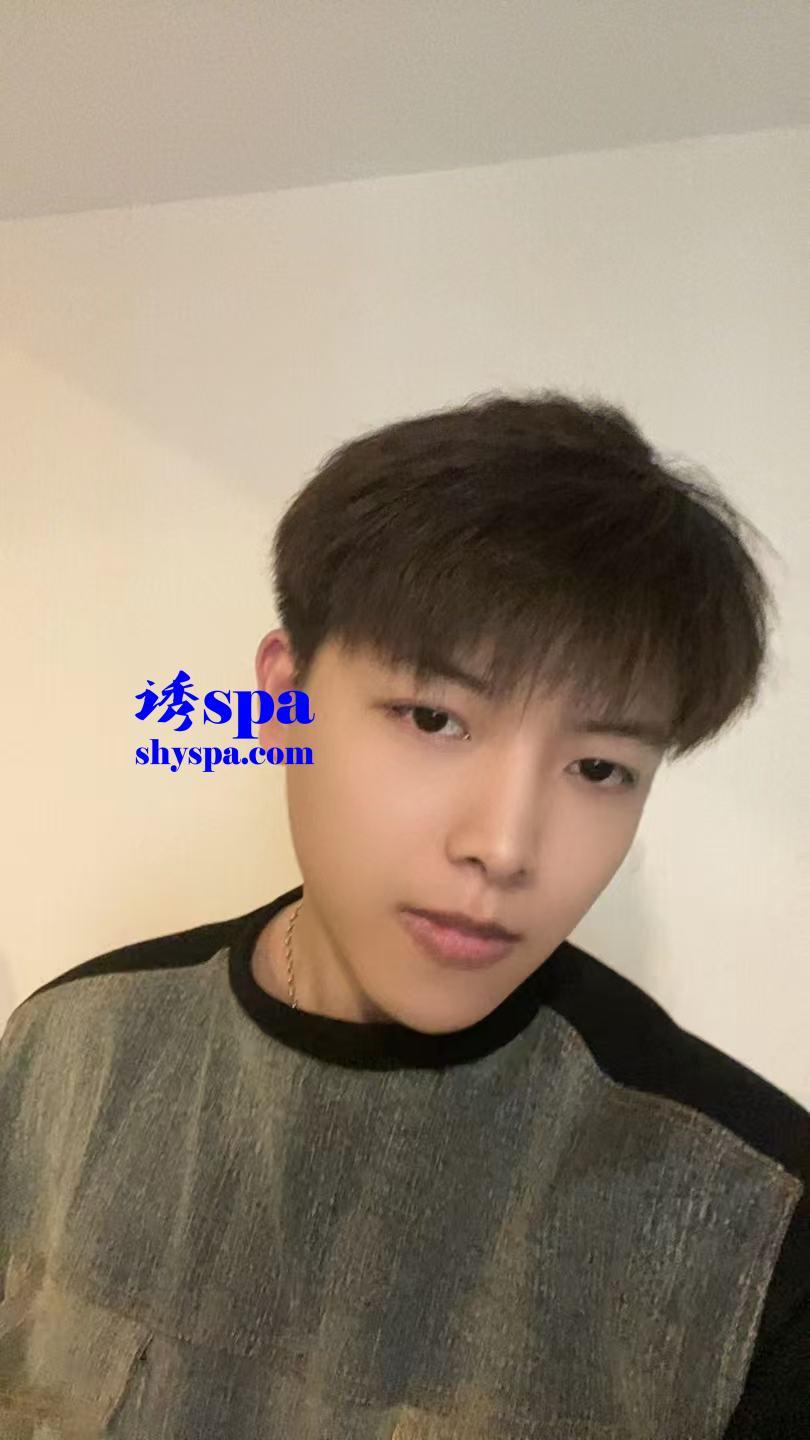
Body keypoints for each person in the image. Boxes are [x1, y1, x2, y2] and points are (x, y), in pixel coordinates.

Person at [1, 389, 807, 1437]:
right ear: (282, 702)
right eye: (434, 717)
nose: (505, 845)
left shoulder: (756, 1224)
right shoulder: (69, 1048)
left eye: (600, 767)